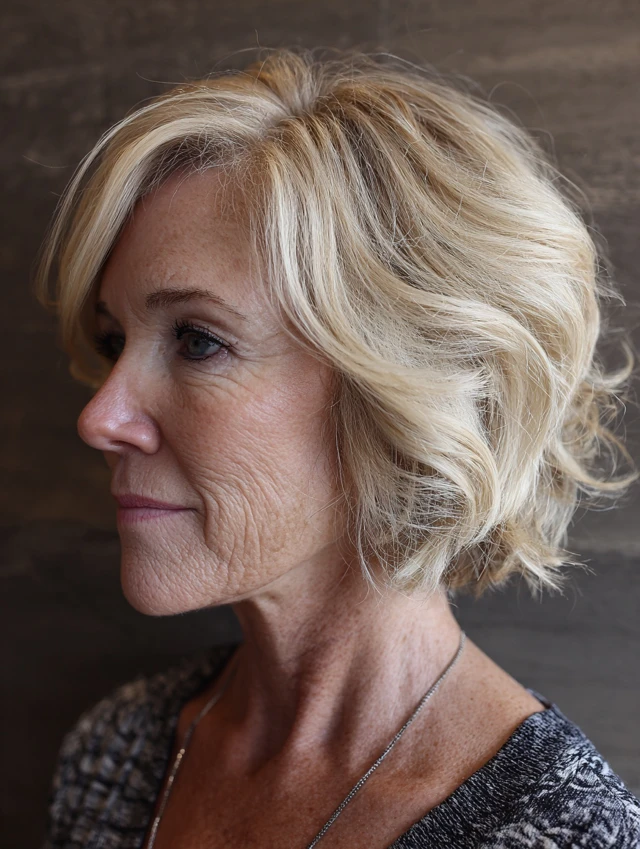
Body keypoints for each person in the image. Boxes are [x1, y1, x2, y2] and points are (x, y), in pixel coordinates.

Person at [37, 48, 640, 848]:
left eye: (197, 340)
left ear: (398, 392)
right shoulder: (116, 752)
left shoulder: (556, 831)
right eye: (115, 340)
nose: (99, 416)